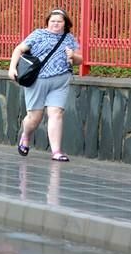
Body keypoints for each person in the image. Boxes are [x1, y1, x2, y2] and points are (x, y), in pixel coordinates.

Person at [8, 9, 83, 162]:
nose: (55, 24)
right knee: (35, 118)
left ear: (65, 23)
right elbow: (19, 49)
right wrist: (12, 68)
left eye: (59, 21)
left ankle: (56, 151)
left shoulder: (69, 38)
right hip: (38, 80)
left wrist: (73, 56)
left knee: (56, 113)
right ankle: (26, 135)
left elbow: (80, 59)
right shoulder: (38, 34)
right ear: (48, 22)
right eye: (52, 21)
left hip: (60, 80)